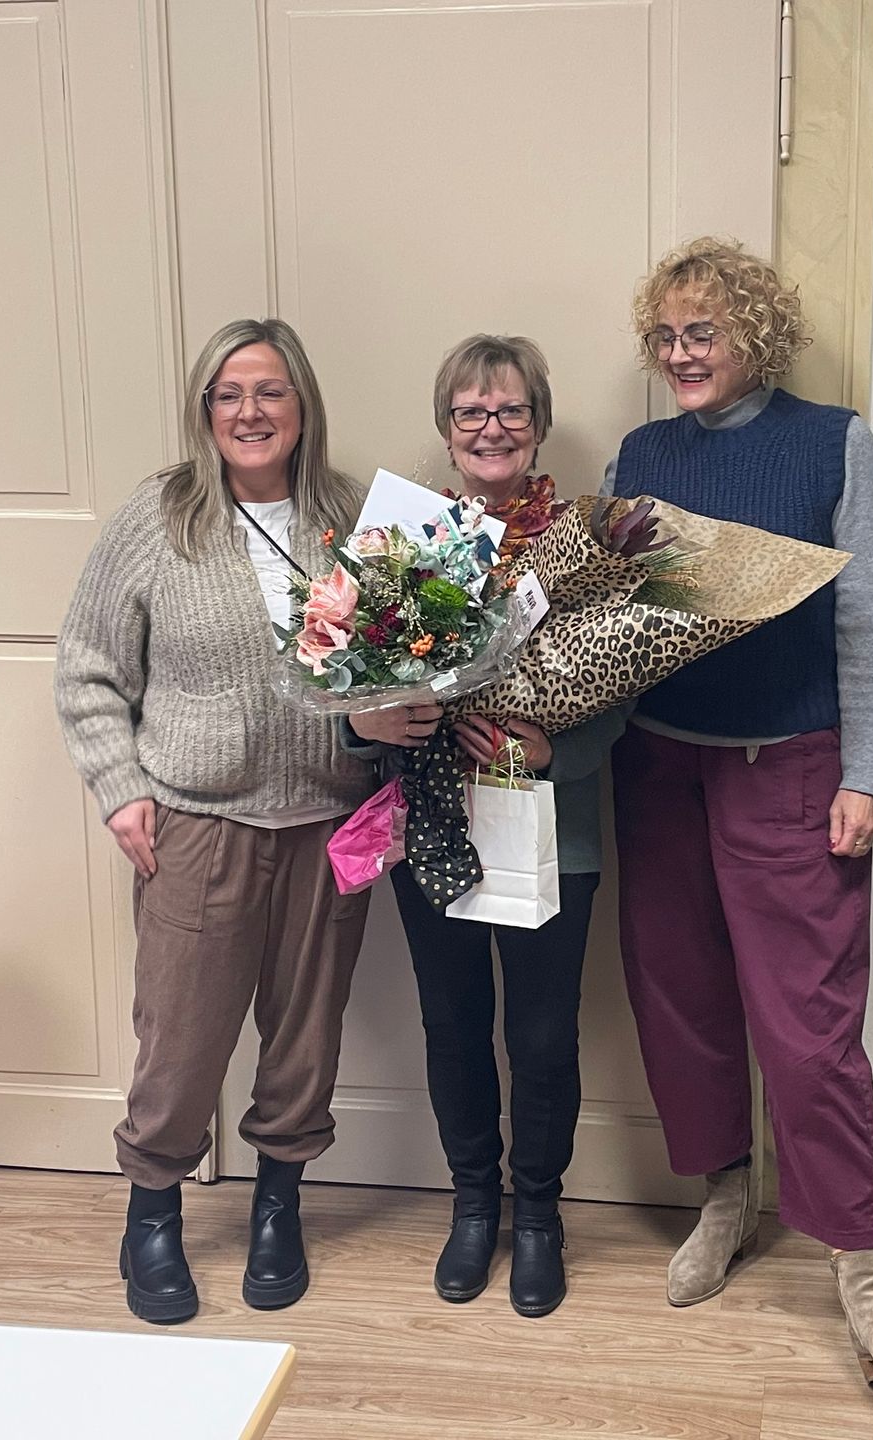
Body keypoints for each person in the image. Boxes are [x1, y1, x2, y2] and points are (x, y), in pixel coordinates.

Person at [604, 238, 873, 1383]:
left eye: (702, 332)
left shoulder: (832, 441)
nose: (681, 353)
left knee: (808, 1028)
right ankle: (725, 1200)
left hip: (792, 767)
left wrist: (867, 772)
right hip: (658, 767)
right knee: (680, 999)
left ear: (755, 333)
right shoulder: (642, 455)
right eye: (665, 336)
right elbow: (620, 617)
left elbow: (867, 617)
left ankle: (861, 1272)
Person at [55, 318, 374, 1325]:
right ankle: (152, 1211)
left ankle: (280, 1203)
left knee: (306, 1037)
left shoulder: (354, 519)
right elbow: (88, 668)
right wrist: (122, 787)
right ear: (205, 411)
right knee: (182, 1038)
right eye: (228, 394)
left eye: (270, 391)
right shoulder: (159, 519)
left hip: (329, 824)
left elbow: (402, 659)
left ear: (302, 404)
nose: (250, 411)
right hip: (199, 824)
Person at [347, 335, 626, 1318]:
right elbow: (349, 676)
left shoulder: (587, 541)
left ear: (539, 424)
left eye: (510, 410)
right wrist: (367, 720)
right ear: (447, 428)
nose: (491, 428)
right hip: (433, 824)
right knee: (452, 1021)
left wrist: (555, 748)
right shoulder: (406, 541)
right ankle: (474, 1206)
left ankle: (539, 1215)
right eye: (471, 411)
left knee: (544, 1035)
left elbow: (623, 683)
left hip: (553, 829)